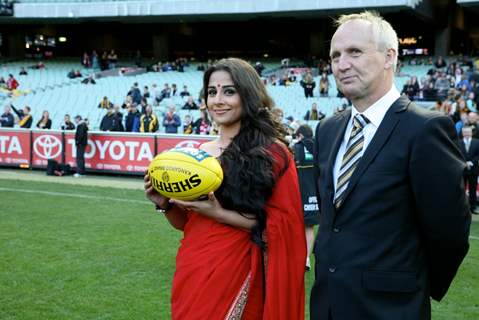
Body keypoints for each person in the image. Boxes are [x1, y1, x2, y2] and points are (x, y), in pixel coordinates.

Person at [311, 11, 470, 320]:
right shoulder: (327, 129)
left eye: (354, 52)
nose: (341, 64)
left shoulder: (425, 128)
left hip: (391, 309)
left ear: (389, 57)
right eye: (335, 55)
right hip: (327, 305)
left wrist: (412, 286)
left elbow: (450, 231)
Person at [144, 58, 306, 319]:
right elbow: (188, 223)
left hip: (239, 269)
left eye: (229, 91)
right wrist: (164, 203)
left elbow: (284, 226)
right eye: (212, 92)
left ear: (248, 95)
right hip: (193, 265)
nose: (218, 100)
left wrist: (218, 212)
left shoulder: (273, 153)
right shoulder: (196, 155)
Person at [292, 124, 319, 271]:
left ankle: (296, 256)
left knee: (296, 226)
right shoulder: (319, 147)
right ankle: (306, 258)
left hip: (297, 192)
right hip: (314, 193)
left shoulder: (295, 148)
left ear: (300, 136)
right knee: (309, 227)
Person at [459, 126, 479, 214]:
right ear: (462, 133)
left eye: (468, 132)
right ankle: (462, 207)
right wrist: (465, 162)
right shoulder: (458, 142)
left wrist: (471, 162)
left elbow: (478, 155)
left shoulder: (477, 142)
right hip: (462, 169)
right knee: (461, 189)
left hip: (473, 169)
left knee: (473, 189)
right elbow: (457, 154)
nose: (467, 134)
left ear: (471, 132)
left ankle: (473, 207)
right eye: (465, 132)